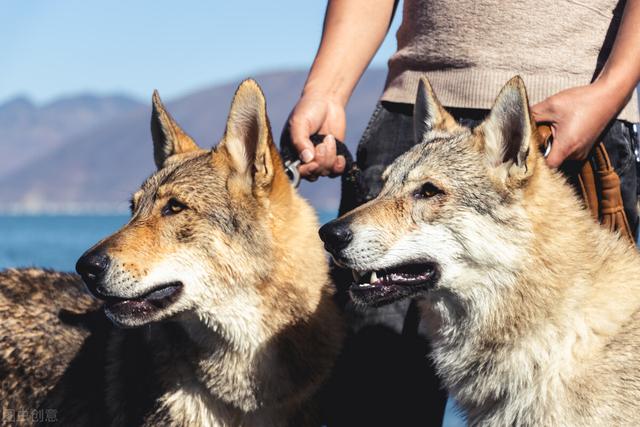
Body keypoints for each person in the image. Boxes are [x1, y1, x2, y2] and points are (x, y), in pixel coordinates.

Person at [285, 0, 640, 424]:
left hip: (577, 115)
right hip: (413, 101)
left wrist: (610, 88)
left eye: (427, 194)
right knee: (372, 400)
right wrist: (324, 91)